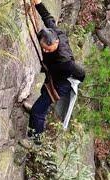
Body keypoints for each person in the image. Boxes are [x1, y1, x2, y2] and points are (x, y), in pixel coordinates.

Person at [28, 0, 85, 137]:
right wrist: (38, 3)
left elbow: (80, 73)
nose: (46, 52)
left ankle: (36, 140)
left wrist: (73, 83)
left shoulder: (65, 60)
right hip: (54, 74)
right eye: (44, 50)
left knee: (37, 111)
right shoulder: (55, 32)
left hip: (62, 83)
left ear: (56, 42)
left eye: (48, 50)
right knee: (43, 95)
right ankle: (39, 112)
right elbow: (47, 17)